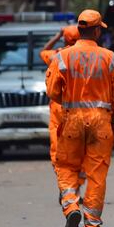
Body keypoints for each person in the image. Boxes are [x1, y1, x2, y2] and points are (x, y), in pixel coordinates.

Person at [45, 9, 114, 227]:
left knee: (66, 167)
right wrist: (109, 109)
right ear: (97, 31)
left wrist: (69, 101)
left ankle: (71, 206)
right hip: (101, 120)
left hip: (72, 119)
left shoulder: (62, 57)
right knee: (97, 174)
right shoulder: (110, 57)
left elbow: (52, 91)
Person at [40, 25, 81, 167]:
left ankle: (61, 171)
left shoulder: (56, 56)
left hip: (59, 105)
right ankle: (77, 172)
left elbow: (43, 51)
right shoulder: (86, 56)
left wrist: (58, 35)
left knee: (57, 139)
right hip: (80, 104)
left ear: (64, 39)